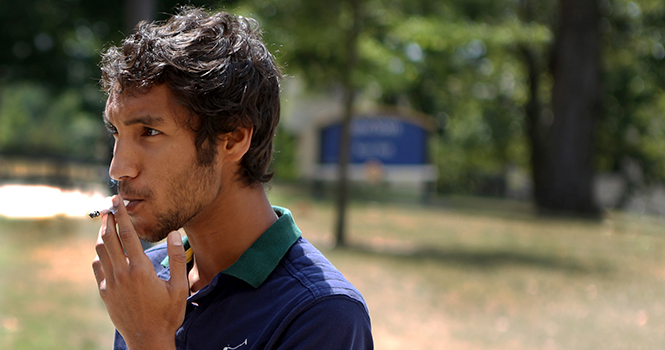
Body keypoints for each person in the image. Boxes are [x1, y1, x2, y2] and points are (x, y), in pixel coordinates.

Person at [91, 6, 373, 350]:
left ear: (234, 139)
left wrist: (149, 338)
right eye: (116, 133)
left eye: (149, 132)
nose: (118, 168)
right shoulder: (144, 280)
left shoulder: (321, 314)